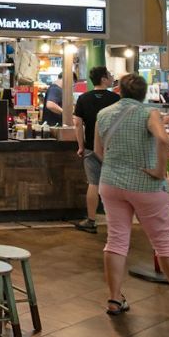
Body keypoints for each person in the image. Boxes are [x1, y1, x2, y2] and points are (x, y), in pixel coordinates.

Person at [96, 73, 169, 317]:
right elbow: (163, 140)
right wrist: (160, 171)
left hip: (110, 183)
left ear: (119, 91)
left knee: (116, 239)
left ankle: (114, 299)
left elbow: (99, 151)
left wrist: (116, 167)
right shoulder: (148, 113)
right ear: (144, 94)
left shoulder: (104, 114)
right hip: (145, 186)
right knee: (163, 241)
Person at [71, 67, 120, 233]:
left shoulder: (83, 98)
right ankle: (116, 221)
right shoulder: (116, 98)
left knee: (93, 184)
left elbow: (77, 124)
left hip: (91, 148)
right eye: (110, 75)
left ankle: (91, 221)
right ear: (104, 79)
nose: (112, 77)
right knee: (114, 185)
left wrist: (81, 146)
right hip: (113, 149)